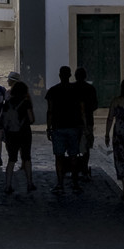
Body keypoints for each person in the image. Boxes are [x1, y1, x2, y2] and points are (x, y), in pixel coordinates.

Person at [44, 62, 86, 195]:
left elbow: (50, 111)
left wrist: (48, 127)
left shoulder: (53, 91)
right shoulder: (76, 90)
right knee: (74, 156)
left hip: (58, 127)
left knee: (59, 157)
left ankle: (60, 184)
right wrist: (84, 126)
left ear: (59, 75)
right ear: (69, 75)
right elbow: (82, 109)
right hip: (74, 127)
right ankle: (75, 183)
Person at [0, 75, 36, 197]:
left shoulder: (7, 103)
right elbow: (31, 119)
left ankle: (7, 185)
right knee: (26, 158)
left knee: (11, 160)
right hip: (24, 133)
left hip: (11, 134)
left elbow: (0, 121)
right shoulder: (26, 103)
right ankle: (29, 183)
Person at [75, 62, 98, 178]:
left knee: (73, 146)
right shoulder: (90, 89)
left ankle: (74, 168)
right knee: (86, 147)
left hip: (73, 122)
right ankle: (84, 167)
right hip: (88, 121)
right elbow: (95, 105)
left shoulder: (72, 88)